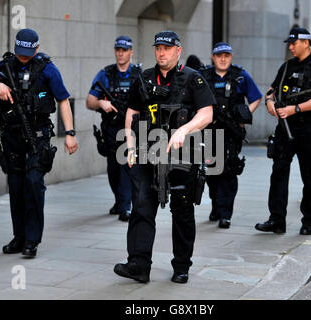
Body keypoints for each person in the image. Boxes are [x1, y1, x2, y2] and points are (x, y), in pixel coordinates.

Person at [113, 31, 215, 284]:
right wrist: (130, 145)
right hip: (147, 152)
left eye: (167, 48)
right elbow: (132, 113)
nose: (161, 52)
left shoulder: (194, 79)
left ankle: (181, 266)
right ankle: (139, 265)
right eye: (158, 48)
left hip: (182, 153)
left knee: (182, 208)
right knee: (141, 206)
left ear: (178, 51)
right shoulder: (144, 78)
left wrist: (184, 129)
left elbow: (207, 113)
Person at [0, 28, 78, 257]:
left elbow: (63, 101)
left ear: (36, 48)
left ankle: (32, 241)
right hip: (11, 137)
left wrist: (70, 133)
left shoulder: (47, 68)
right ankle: (19, 237)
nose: (23, 57)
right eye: (20, 53)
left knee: (34, 182)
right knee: (16, 187)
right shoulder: (5, 66)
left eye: (28, 53)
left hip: (37, 135)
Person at [255, 27, 311, 235]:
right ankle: (277, 220)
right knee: (279, 172)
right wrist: (270, 103)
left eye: (294, 43)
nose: (290, 47)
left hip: (310, 129)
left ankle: (308, 221)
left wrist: (296, 108)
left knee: (309, 177)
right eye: (289, 44)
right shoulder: (286, 67)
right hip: (285, 128)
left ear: (306, 43)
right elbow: (271, 92)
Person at [201, 42, 262, 228]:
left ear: (231, 57)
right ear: (213, 57)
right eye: (219, 55)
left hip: (231, 132)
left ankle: (225, 213)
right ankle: (216, 206)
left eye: (226, 55)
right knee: (211, 171)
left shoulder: (240, 76)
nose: (223, 58)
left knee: (228, 171)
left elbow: (256, 97)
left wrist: (244, 116)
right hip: (210, 131)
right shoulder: (204, 76)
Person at [86, 36, 141, 221]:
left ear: (131, 52)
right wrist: (101, 102)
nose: (120, 53)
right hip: (111, 128)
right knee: (113, 169)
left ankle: (126, 206)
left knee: (126, 166)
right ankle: (120, 201)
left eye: (124, 50)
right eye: (117, 49)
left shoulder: (139, 74)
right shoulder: (105, 74)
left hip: (131, 130)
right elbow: (89, 101)